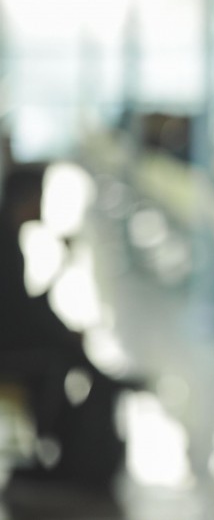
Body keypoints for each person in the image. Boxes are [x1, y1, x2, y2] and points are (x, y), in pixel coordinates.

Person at [0, 165, 125, 488]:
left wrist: (61, 265)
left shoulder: (10, 240)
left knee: (64, 352)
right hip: (8, 350)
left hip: (11, 341)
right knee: (55, 362)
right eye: (39, 197)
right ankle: (52, 454)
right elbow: (20, 314)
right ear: (24, 199)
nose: (41, 206)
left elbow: (25, 308)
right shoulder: (5, 245)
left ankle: (60, 450)